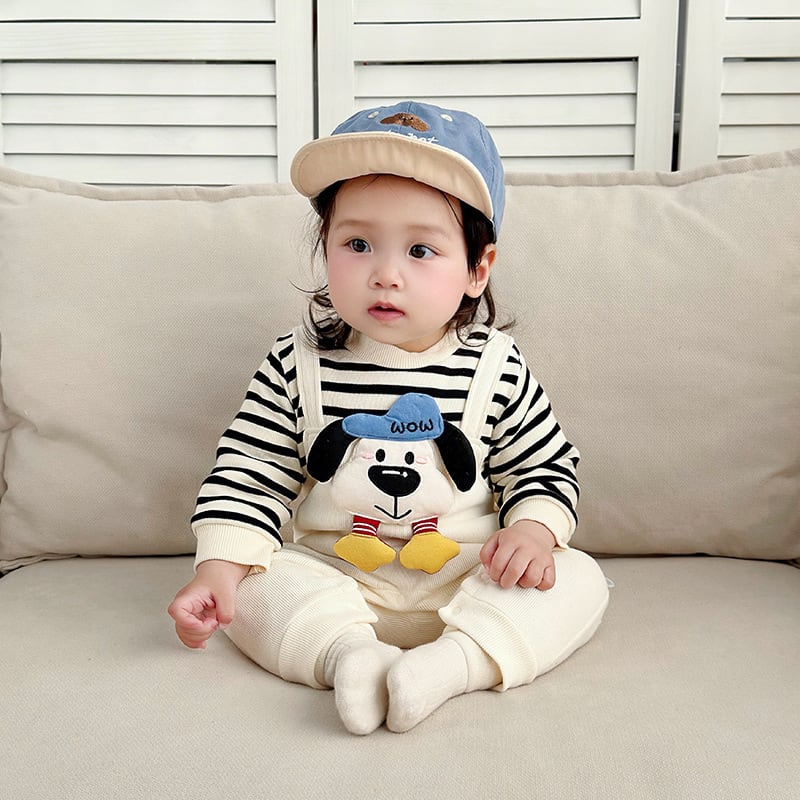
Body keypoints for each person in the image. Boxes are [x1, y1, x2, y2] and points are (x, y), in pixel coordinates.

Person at [168, 101, 609, 735]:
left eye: (420, 249)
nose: (385, 274)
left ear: (477, 269)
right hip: (335, 580)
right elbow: (249, 470)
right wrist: (220, 566)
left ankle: (453, 664)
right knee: (255, 580)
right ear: (325, 250)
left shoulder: (497, 366)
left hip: (468, 578)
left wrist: (533, 531)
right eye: (357, 244)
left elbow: (543, 465)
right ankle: (350, 657)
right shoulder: (296, 363)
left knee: (578, 578)